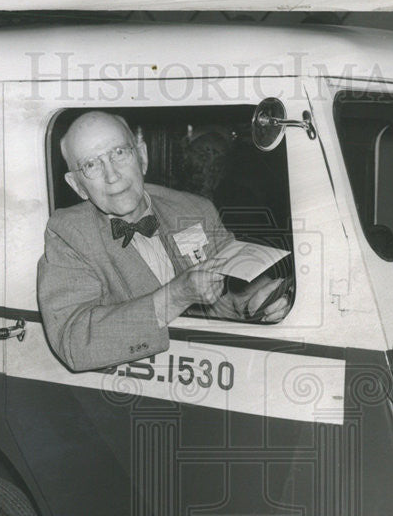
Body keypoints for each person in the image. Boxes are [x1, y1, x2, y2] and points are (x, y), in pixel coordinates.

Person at [37, 112, 289, 372]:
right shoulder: (69, 234)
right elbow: (73, 342)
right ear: (77, 185)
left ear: (143, 157)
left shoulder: (194, 210)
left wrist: (253, 305)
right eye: (91, 164)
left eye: (119, 153)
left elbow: (229, 295)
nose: (112, 176)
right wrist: (176, 296)